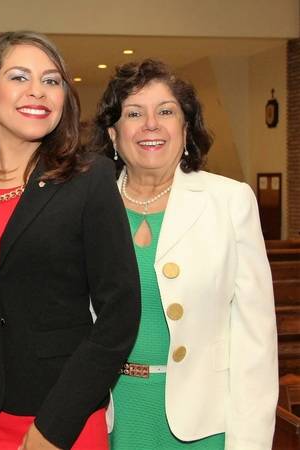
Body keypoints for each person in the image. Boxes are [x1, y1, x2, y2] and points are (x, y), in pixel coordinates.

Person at [0, 31, 140, 450]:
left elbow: (120, 314)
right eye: (19, 77)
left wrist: (55, 425)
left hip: (62, 415)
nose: (37, 91)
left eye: (52, 80)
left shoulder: (89, 178)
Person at [88, 59, 278, 449]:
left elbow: (256, 342)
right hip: (109, 418)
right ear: (113, 133)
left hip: (205, 424)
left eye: (166, 112)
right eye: (134, 113)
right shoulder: (89, 206)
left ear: (185, 128)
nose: (151, 124)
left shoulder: (229, 201)